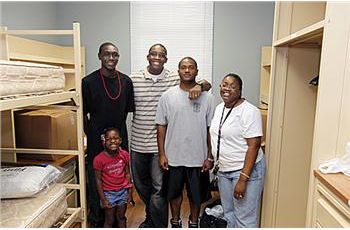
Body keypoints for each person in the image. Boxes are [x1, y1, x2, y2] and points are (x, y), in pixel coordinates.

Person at [130, 44, 211, 227]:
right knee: (142, 185)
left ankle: (160, 224)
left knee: (161, 190)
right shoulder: (134, 79)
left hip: (166, 148)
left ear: (166, 59)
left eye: (161, 55)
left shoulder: (175, 79)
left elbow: (203, 82)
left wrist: (199, 85)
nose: (157, 57)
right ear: (148, 56)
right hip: (139, 142)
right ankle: (153, 217)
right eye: (153, 54)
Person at [156, 57, 214, 228]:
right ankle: (175, 222)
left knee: (196, 196)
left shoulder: (208, 98)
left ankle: (194, 223)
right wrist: (162, 154)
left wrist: (209, 156)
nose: (187, 70)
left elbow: (211, 129)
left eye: (191, 67)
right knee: (174, 194)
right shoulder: (167, 96)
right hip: (173, 156)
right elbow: (161, 127)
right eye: (183, 67)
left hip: (198, 157)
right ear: (178, 71)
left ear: (197, 71)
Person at [82, 42, 135, 227]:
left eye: (115, 55)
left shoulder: (126, 82)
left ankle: (120, 217)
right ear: (99, 56)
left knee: (120, 173)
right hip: (97, 136)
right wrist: (90, 133)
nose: (111, 58)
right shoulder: (88, 82)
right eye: (107, 54)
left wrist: (116, 138)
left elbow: (128, 111)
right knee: (97, 176)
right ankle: (97, 219)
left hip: (120, 135)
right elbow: (83, 113)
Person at [209, 73, 266, 228]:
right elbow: (217, 135)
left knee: (244, 218)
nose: (227, 88)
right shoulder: (220, 108)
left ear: (240, 90)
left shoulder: (249, 111)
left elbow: (254, 146)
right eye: (224, 84)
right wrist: (210, 158)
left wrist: (243, 179)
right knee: (228, 214)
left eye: (233, 86)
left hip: (245, 171)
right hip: (224, 170)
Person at [93, 127, 132, 227]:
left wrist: (129, 192)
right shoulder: (99, 159)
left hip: (123, 191)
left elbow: (127, 173)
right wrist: (103, 199)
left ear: (120, 140)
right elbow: (98, 180)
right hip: (108, 194)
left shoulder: (125, 155)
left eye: (115, 138)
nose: (113, 141)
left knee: (121, 217)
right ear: (104, 141)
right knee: (109, 220)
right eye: (109, 139)